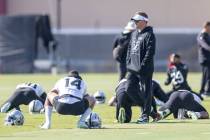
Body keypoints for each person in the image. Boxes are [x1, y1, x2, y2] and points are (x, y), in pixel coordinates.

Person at [126, 11, 156, 123]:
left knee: (146, 91)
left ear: (144, 21)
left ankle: (145, 116)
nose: (135, 22)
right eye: (134, 21)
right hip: (132, 69)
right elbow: (130, 49)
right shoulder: (134, 34)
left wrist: (142, 66)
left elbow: (150, 52)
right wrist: (128, 62)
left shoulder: (150, 35)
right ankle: (150, 111)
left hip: (145, 69)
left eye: (137, 21)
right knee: (128, 88)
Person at [197, 21, 210, 97]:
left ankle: (207, 91)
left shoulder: (208, 35)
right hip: (205, 59)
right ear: (206, 26)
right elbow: (204, 45)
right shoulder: (201, 35)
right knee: (206, 75)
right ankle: (202, 91)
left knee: (208, 75)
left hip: (209, 58)